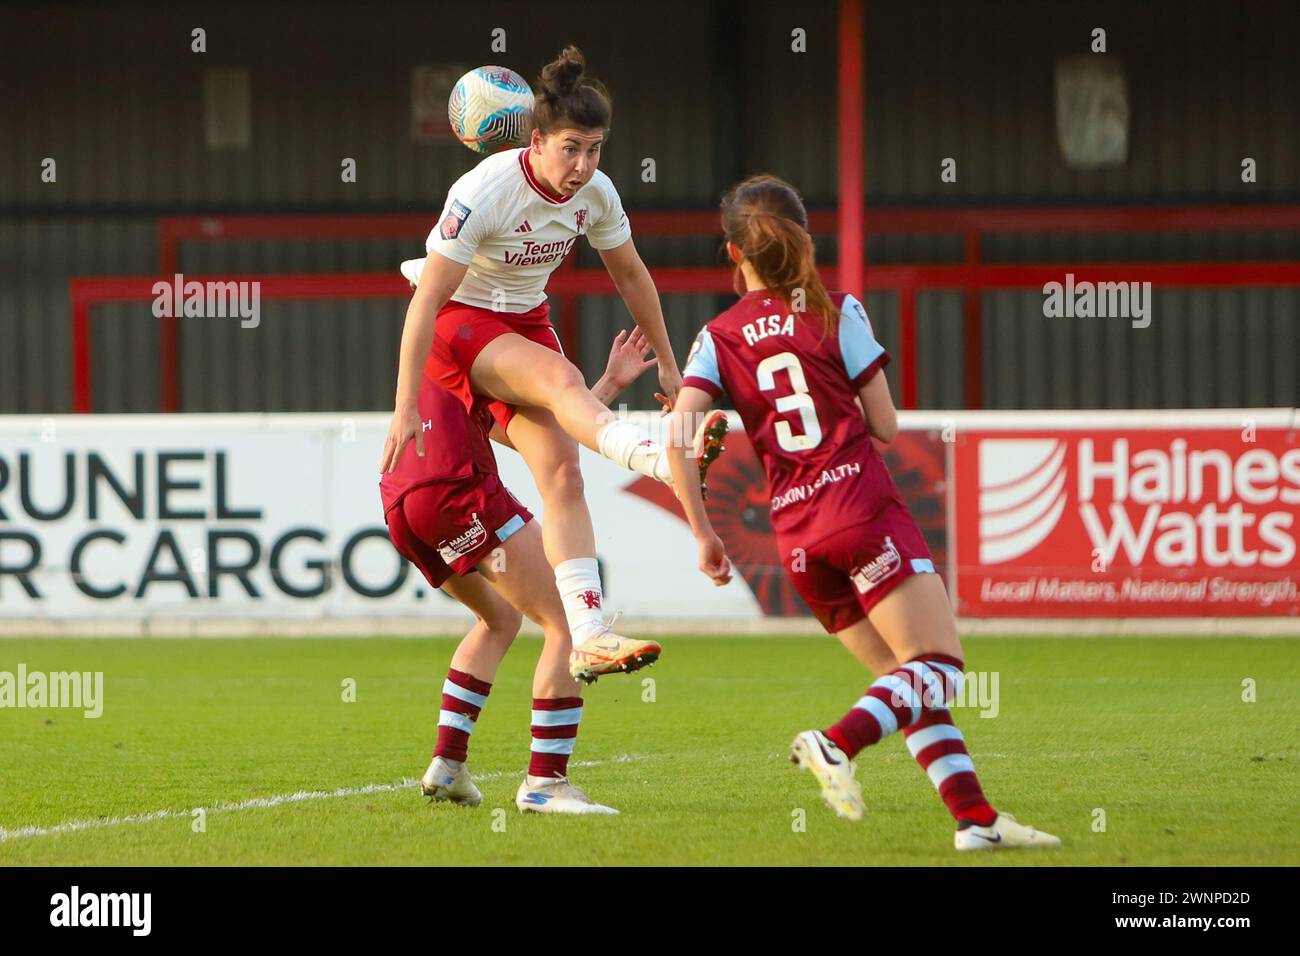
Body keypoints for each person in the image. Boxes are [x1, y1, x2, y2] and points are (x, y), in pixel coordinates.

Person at [662, 174, 1060, 851]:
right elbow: (884, 424)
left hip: (796, 539)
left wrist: (702, 531)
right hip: (859, 509)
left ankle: (977, 822)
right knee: (939, 665)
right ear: (805, 240)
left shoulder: (715, 337)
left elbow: (679, 435)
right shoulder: (833, 310)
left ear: (733, 254)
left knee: (904, 681)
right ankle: (836, 743)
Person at [380, 45, 727, 684]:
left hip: (525, 321)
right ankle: (663, 461)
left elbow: (631, 273)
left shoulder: (595, 191)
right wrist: (404, 405)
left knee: (563, 473)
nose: (583, 165)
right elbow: (427, 300)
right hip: (460, 321)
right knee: (562, 380)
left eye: (595, 150)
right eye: (571, 148)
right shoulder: (482, 191)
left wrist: (671, 368)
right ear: (534, 141)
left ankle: (590, 633)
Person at [382, 309, 665, 815]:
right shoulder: (479, 343)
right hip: (458, 490)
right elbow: (551, 440)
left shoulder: (438, 352)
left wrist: (607, 383)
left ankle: (447, 765)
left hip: (402, 501)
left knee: (499, 619)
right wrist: (596, 386)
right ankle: (545, 783)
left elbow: (538, 437)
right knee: (567, 622)